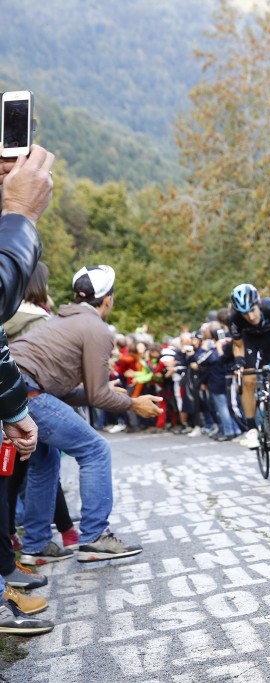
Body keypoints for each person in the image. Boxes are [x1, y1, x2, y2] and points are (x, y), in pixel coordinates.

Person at [13, 265, 163, 567]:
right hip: (27, 393)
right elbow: (97, 396)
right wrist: (133, 404)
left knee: (46, 462)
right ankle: (95, 537)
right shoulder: (96, 328)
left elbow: (68, 392)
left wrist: (111, 394)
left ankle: (36, 545)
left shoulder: (62, 320)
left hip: (17, 388)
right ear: (107, 299)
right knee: (95, 449)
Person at [0, 143, 57, 634]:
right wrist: (18, 214)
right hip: (35, 393)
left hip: (19, 396)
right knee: (93, 449)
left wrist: (13, 408)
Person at [228, 283, 270, 448]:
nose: (250, 316)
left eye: (252, 310)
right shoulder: (234, 320)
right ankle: (252, 430)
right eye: (245, 313)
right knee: (248, 381)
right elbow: (238, 345)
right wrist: (239, 362)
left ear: (259, 303)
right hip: (251, 344)